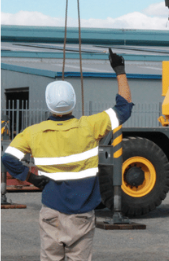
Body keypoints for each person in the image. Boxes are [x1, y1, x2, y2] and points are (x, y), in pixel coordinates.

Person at [1, 48, 133, 261]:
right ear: (73, 101)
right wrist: (119, 70)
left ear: (48, 102)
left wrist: (32, 178)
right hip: (81, 216)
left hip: (51, 213)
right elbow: (125, 107)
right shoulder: (90, 126)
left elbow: (7, 158)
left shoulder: (33, 133)